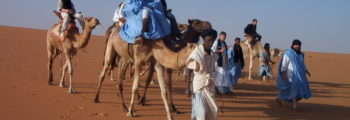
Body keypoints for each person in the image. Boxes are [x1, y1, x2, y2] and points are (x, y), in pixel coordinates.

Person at [186, 29, 218, 120]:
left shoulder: (213, 55)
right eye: (209, 41)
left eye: (212, 41)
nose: (211, 43)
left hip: (209, 86)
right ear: (204, 39)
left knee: (211, 111)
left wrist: (215, 86)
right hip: (199, 85)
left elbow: (212, 72)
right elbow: (189, 69)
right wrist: (187, 87)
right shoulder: (197, 52)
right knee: (201, 112)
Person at [275, 39, 312, 112]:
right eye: (296, 44)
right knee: (293, 89)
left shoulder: (300, 54)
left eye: (298, 45)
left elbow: (302, 64)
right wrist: (283, 73)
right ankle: (294, 107)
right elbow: (284, 65)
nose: (297, 46)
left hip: (299, 76)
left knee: (291, 90)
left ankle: (279, 98)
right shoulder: (288, 53)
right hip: (290, 75)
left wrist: (307, 71)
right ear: (292, 45)